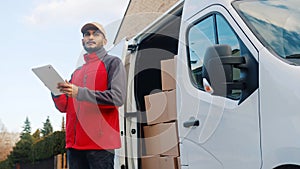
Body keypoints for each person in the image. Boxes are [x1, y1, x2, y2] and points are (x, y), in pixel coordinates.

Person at [52, 22, 126, 169]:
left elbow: (117, 97)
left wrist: (79, 92)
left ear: (104, 41)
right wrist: (56, 92)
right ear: (82, 41)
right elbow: (65, 107)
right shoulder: (77, 72)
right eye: (87, 34)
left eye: (96, 34)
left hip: (100, 146)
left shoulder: (113, 63)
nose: (91, 37)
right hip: (74, 146)